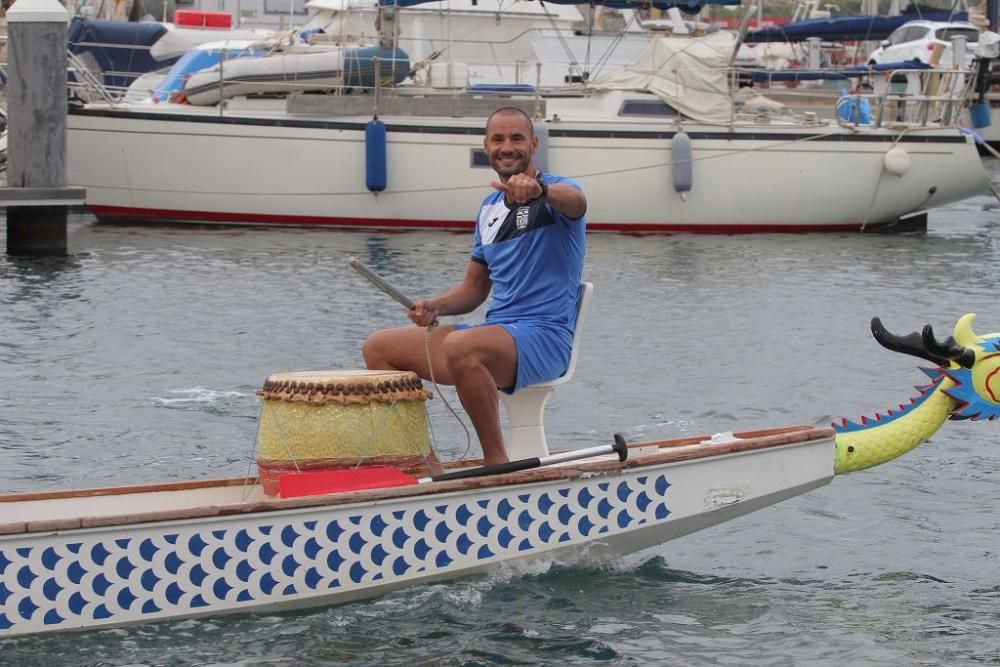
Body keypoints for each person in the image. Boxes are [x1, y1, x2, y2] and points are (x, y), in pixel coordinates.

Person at [363, 106, 587, 466]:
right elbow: (473, 288)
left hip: (545, 338)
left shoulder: (559, 191)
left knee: (461, 345)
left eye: (516, 138)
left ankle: (496, 463)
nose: (507, 146)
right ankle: (422, 462)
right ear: (486, 146)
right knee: (379, 348)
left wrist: (540, 190)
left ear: (533, 144)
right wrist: (436, 306)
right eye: (498, 139)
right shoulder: (488, 208)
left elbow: (577, 204)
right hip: (495, 334)